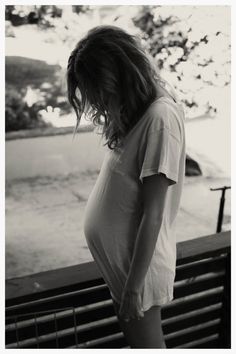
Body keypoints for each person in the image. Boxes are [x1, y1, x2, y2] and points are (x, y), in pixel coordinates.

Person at [67, 25, 186, 348]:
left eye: (102, 93)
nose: (101, 103)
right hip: (127, 269)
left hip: (139, 273)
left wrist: (133, 288)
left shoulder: (160, 117)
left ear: (120, 78)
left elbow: (154, 212)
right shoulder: (141, 112)